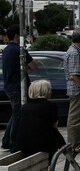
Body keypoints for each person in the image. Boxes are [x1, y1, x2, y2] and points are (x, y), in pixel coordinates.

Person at [2, 24, 38, 153]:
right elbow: (34, 66)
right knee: (19, 115)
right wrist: (26, 66)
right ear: (17, 36)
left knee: (15, 113)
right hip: (18, 87)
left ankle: (6, 141)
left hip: (9, 86)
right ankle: (13, 144)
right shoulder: (20, 50)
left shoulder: (6, 50)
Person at [17, 80, 66, 157]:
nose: (51, 92)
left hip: (24, 144)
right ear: (45, 91)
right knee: (53, 132)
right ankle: (66, 150)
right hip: (43, 145)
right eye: (49, 90)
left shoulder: (25, 107)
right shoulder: (50, 106)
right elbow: (54, 126)